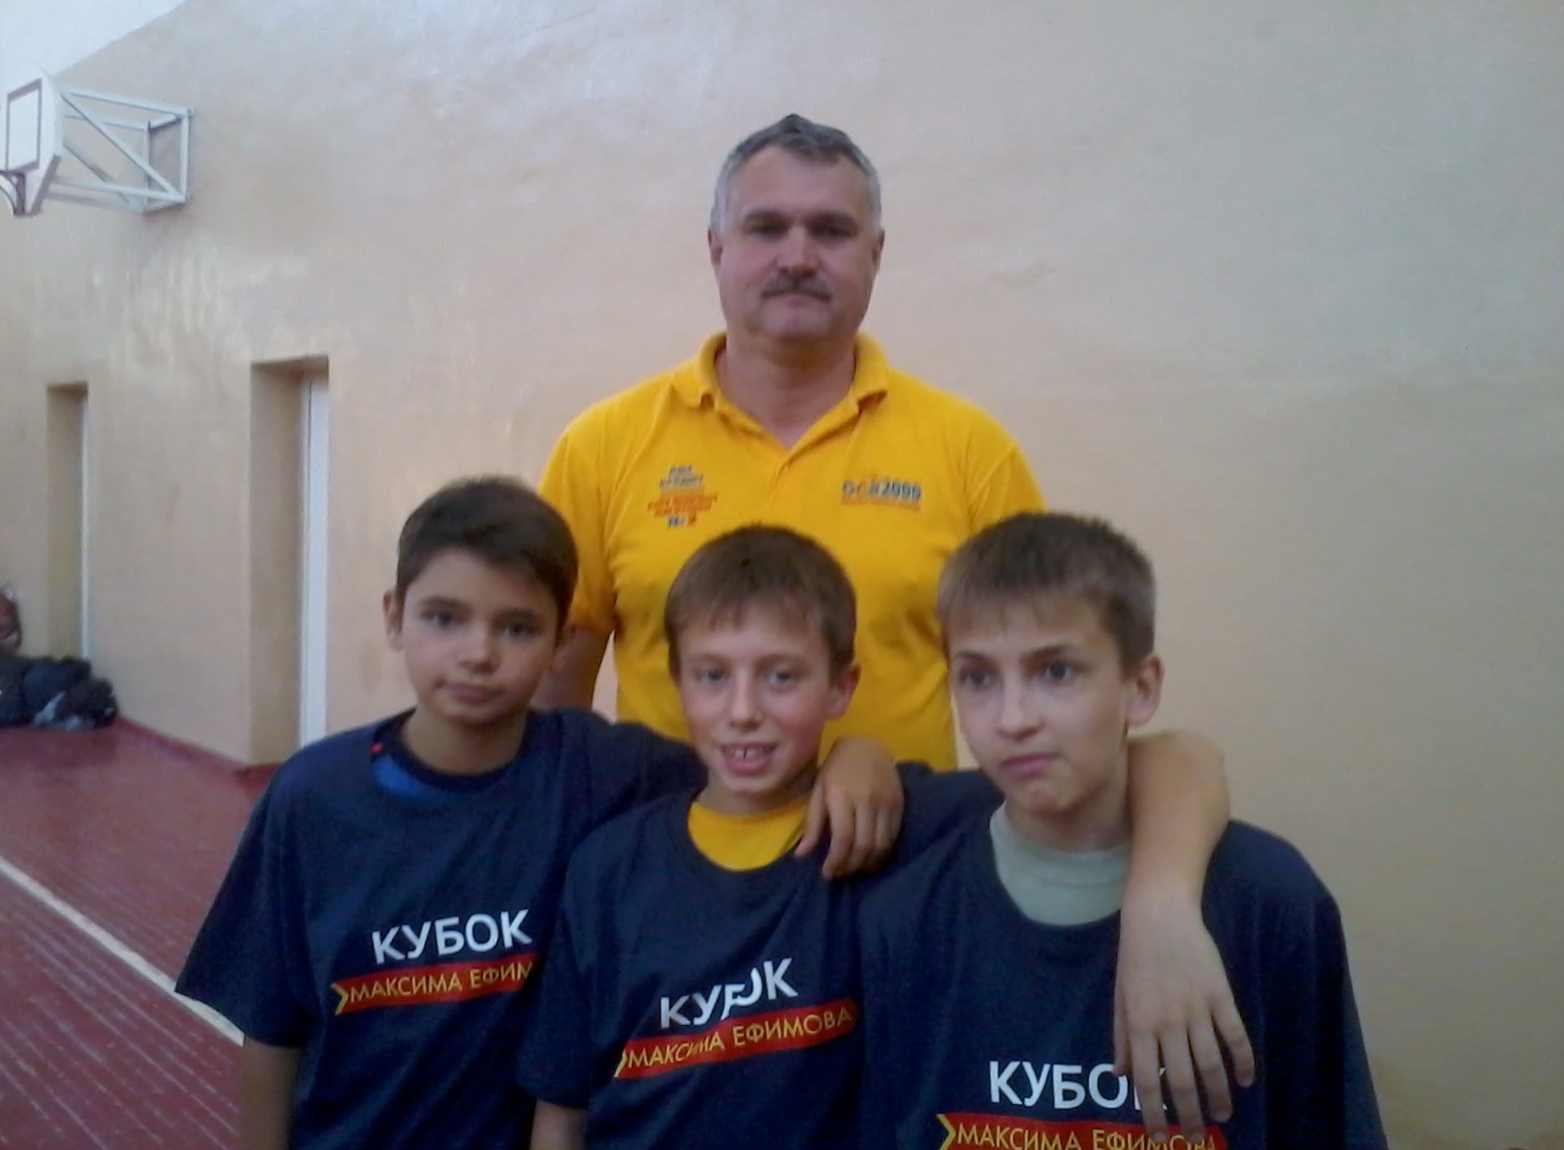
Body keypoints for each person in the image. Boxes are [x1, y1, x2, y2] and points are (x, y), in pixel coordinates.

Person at [536, 114, 1248, 1132]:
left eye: (830, 230)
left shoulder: (967, 452)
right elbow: (552, 724)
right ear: (716, 248)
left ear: (875, 253)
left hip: (901, 909)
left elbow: (1100, 712)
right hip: (674, 931)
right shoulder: (603, 449)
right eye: (766, 226)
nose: (797, 254)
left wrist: (1162, 899)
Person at [175, 478, 900, 1150]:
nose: (478, 653)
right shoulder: (312, 799)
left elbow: (746, 769)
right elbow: (271, 1028)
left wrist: (857, 755)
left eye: (518, 628)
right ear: (394, 617)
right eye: (444, 618)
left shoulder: (605, 771)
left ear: (560, 640)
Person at [857, 513, 1389, 1149]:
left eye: (1056, 672)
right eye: (977, 677)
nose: (1013, 718)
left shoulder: (1269, 899)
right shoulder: (906, 914)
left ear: (1140, 688)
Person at [520, 526, 1032, 1150]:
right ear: (677, 681)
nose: (743, 711)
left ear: (842, 686)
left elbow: (1108, 779)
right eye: (712, 675)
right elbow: (562, 1102)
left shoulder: (898, 827)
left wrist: (867, 752)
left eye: (781, 677)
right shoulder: (608, 868)